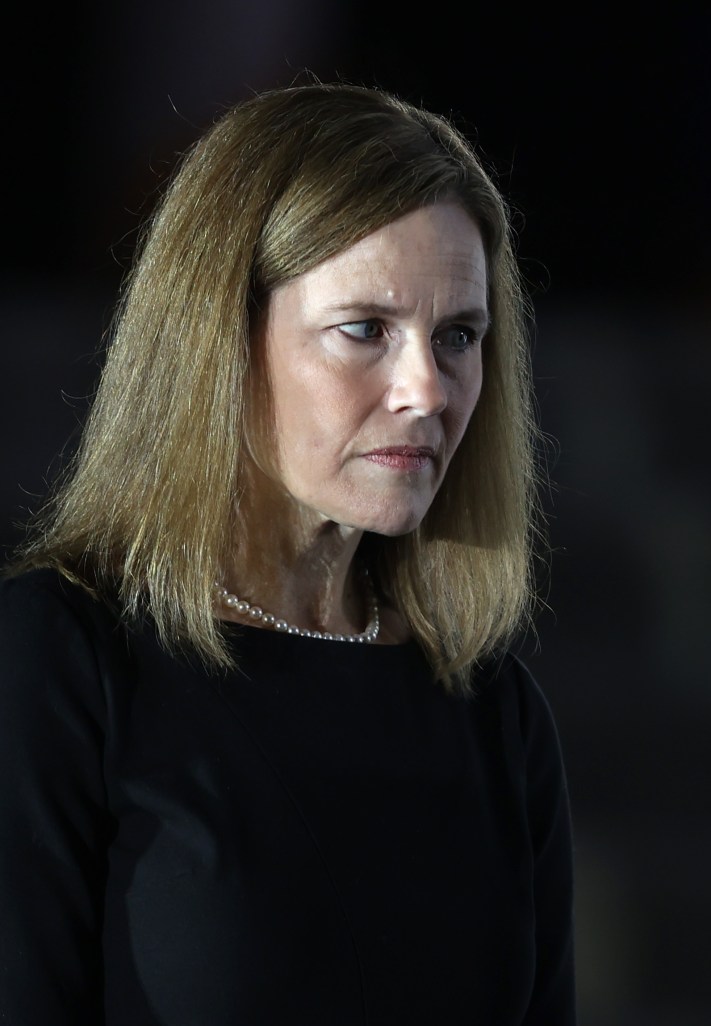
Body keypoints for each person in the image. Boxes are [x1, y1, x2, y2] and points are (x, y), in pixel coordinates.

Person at [0, 83, 574, 1024]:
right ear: (221, 337)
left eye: (459, 336)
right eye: (366, 330)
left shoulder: (495, 717)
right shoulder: (62, 662)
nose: (428, 389)